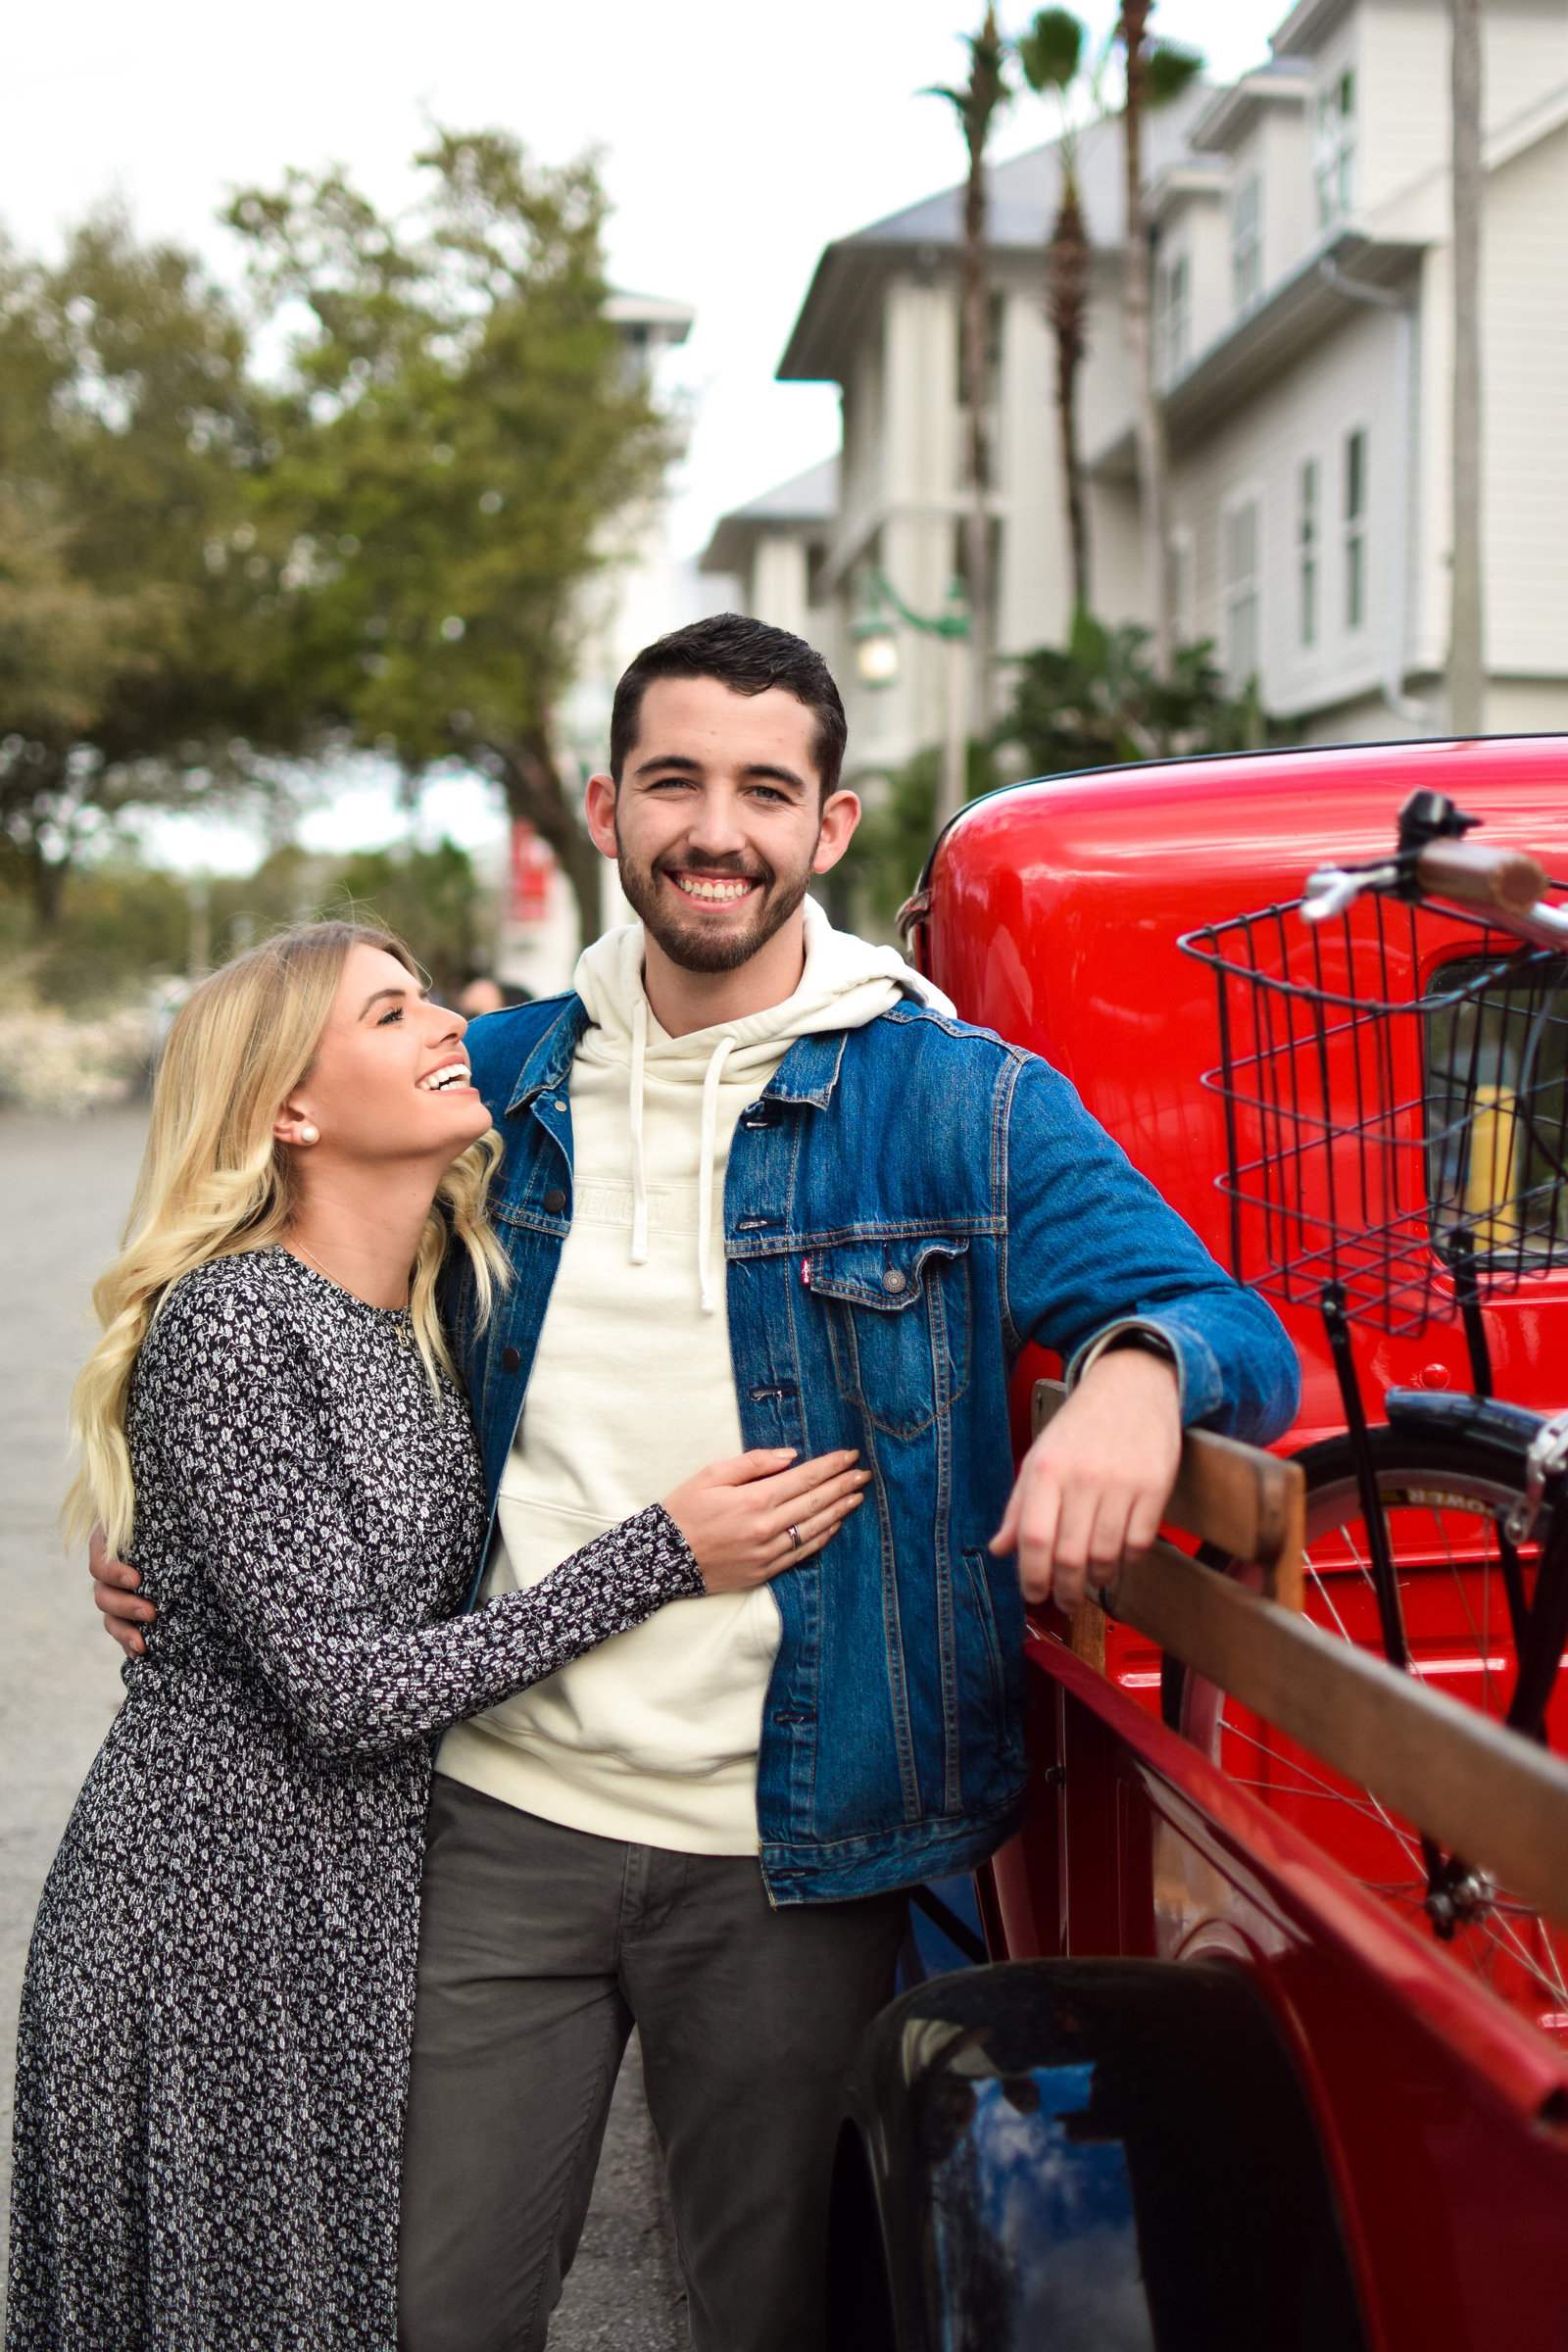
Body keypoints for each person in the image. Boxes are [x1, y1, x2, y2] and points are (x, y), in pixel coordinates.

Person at [94, 616, 1299, 2352]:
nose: (713, 829)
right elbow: (260, 1265)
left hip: (794, 1851)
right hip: (491, 1819)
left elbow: (1219, 1316)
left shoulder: (957, 1105)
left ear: (830, 826)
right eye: (674, 781)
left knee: (763, 2312)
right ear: (606, 805)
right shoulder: (497, 1085)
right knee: (427, 2307)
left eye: (763, 789)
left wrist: (1133, 1380)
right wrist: (159, 1524)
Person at [12, 918, 865, 2352]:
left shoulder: (423, 1306)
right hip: (211, 1916)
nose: (445, 1032)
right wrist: (663, 1554)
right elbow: (343, 1691)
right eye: (392, 1014)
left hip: (337, 1907)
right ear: (290, 1109)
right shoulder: (237, 1323)